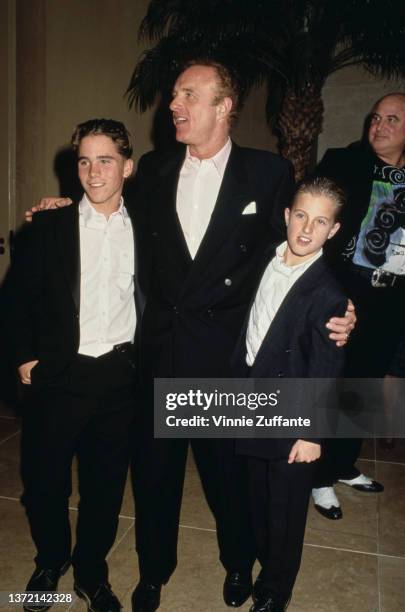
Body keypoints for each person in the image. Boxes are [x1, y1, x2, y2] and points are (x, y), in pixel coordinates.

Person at [27, 61, 355, 612]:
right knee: (156, 479)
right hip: (158, 354)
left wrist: (342, 306)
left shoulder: (268, 172)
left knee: (228, 479)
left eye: (188, 94)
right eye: (174, 93)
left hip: (225, 361)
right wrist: (61, 206)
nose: (173, 104)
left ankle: (236, 563)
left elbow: (302, 245)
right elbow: (105, 209)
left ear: (225, 106)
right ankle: (154, 570)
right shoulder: (151, 169)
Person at [3, 119, 137, 612]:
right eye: (84, 160)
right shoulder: (49, 225)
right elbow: (14, 301)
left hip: (119, 375)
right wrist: (23, 359)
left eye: (105, 160)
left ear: (127, 166)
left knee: (104, 486)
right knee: (44, 482)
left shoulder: (149, 227)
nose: (93, 171)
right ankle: (50, 561)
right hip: (58, 373)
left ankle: (91, 573)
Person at [235, 176, 348, 612]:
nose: (306, 229)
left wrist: (312, 433)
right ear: (286, 215)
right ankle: (256, 564)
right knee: (255, 497)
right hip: (247, 400)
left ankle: (275, 590)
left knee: (284, 509)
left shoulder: (329, 294)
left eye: (320, 222)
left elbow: (327, 368)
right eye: (300, 215)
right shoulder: (263, 257)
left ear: (333, 231)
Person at [312, 93, 405, 520]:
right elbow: (310, 207)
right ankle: (316, 476)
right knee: (332, 383)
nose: (379, 125)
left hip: (392, 296)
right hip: (347, 288)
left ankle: (342, 464)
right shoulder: (344, 163)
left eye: (392, 119)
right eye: (375, 117)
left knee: (363, 386)